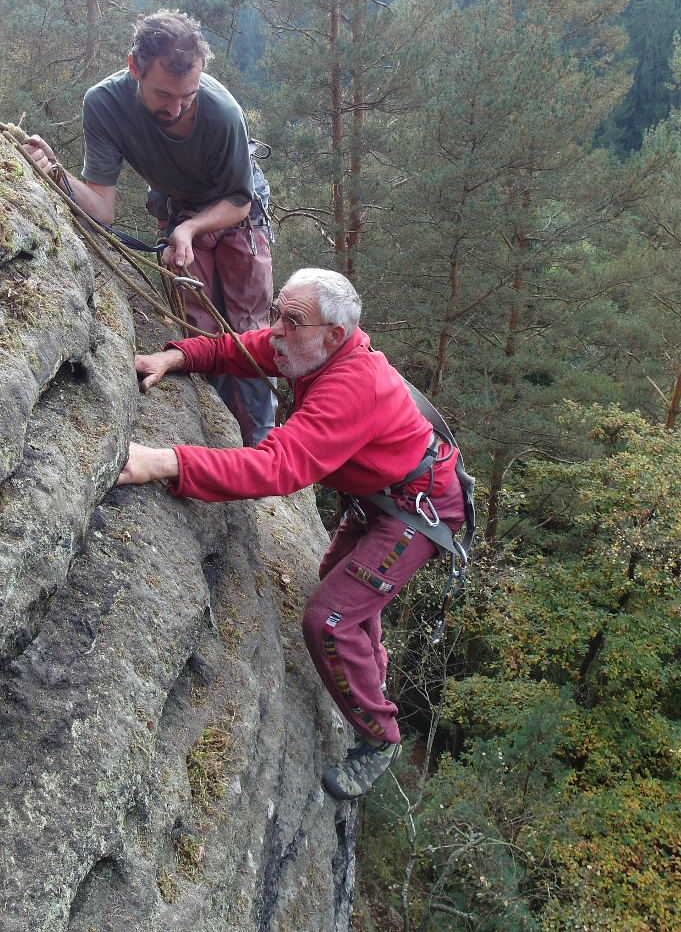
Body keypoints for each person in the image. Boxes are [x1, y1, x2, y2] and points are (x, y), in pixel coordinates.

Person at [117, 268, 468, 799]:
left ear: (333, 335)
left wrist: (165, 463)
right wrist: (178, 356)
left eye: (291, 320)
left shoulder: (352, 387)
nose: (276, 328)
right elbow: (243, 348)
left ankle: (381, 735)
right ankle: (371, 672)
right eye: (278, 311)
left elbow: (276, 468)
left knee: (329, 620)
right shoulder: (312, 347)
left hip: (416, 510)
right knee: (342, 585)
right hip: (383, 493)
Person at [23, 9, 276, 447]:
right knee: (198, 328)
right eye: (163, 94)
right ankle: (220, 441)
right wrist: (56, 173)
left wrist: (192, 228)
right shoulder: (104, 105)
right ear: (134, 67)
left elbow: (240, 198)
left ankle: (261, 447)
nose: (176, 108)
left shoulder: (222, 113)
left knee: (246, 331)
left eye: (188, 96)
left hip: (233, 211)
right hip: (177, 207)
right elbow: (101, 207)